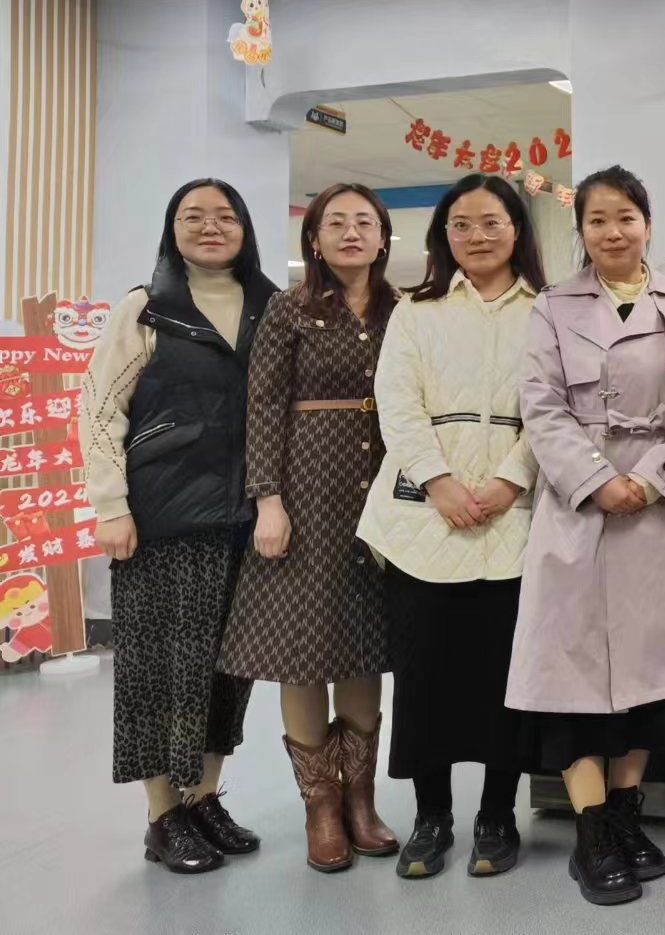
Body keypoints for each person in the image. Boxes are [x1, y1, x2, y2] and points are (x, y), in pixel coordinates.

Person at [509, 166, 665, 907]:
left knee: (651, 674)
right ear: (581, 231)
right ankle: (592, 832)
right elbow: (540, 405)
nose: (613, 231)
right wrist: (598, 479)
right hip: (578, 506)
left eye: (626, 217)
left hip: (661, 507)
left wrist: (658, 477)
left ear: (648, 224)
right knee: (571, 674)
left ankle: (627, 815)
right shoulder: (552, 306)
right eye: (598, 219)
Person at [83, 179, 278, 873]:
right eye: (193, 216)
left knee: (228, 671)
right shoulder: (146, 307)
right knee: (159, 671)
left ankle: (203, 798)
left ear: (245, 228)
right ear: (173, 229)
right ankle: (163, 814)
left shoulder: (271, 307)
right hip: (162, 518)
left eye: (225, 216)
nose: (210, 226)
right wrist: (111, 506)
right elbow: (100, 410)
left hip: (246, 519)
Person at [354, 173, 544, 881]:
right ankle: (431, 817)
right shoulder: (417, 310)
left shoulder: (548, 311)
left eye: (492, 222)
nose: (477, 235)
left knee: (504, 679)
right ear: (443, 237)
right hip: (423, 517)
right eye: (461, 224)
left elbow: (555, 407)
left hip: (514, 514)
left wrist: (510, 479)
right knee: (425, 677)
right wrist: (439, 481)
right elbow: (397, 403)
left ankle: (498, 816)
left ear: (517, 230)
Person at [219, 183, 400, 872]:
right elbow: (263, 405)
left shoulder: (403, 308)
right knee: (303, 647)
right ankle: (321, 808)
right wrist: (268, 499)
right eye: (336, 222)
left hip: (380, 491)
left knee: (363, 644)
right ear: (315, 240)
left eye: (364, 222)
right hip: (305, 493)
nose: (351, 232)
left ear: (383, 237)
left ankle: (361, 799)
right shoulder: (289, 309)